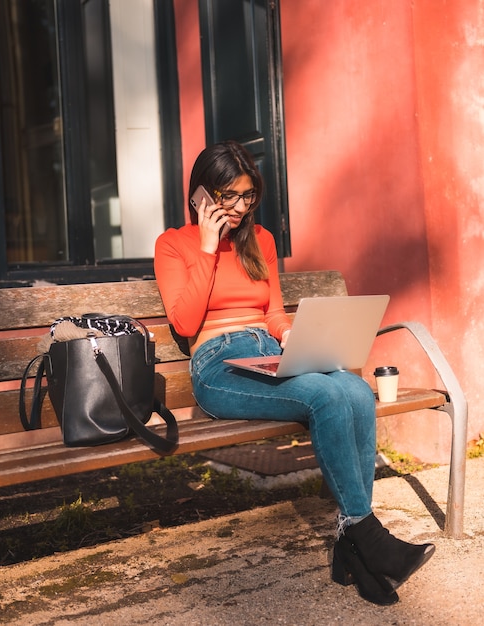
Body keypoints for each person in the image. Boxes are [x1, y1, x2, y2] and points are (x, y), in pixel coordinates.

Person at [154, 140, 434, 605]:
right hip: (217, 365)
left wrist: (290, 335)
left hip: (268, 352)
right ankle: (370, 541)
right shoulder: (174, 244)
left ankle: (353, 546)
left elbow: (273, 313)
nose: (241, 208)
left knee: (357, 392)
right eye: (230, 197)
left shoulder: (259, 240)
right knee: (323, 397)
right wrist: (207, 246)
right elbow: (184, 323)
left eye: (248, 196)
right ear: (201, 196)